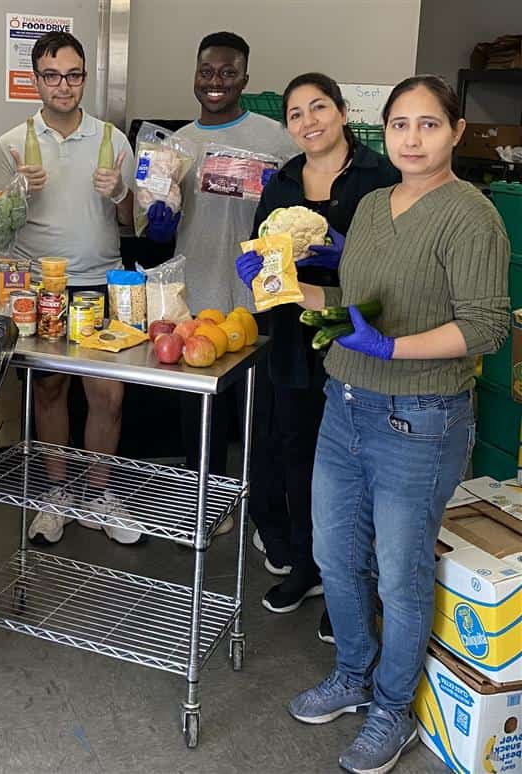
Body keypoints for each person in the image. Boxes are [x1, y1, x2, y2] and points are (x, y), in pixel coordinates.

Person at [243, 76, 510, 774]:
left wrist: (393, 348)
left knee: (401, 574)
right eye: (399, 125)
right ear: (383, 133)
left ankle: (393, 707)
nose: (412, 139)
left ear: (454, 131)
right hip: (346, 406)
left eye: (427, 125)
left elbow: (484, 327)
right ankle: (354, 676)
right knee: (335, 558)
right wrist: (281, 281)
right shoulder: (369, 206)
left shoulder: (471, 215)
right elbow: (350, 300)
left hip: (419, 419)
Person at [235, 74, 399, 635]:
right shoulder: (282, 180)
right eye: (297, 114)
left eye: (319, 107)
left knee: (355, 467)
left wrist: (346, 255)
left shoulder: (381, 176)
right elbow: (264, 250)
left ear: (342, 111)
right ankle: (307, 565)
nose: (309, 121)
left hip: (356, 338)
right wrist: (254, 269)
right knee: (298, 456)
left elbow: (395, 268)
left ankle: (350, 587)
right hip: (291, 338)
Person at [0, 31, 139, 546]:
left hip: (100, 282)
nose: (64, 85)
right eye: (52, 75)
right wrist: (14, 196)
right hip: (38, 283)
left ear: (85, 77)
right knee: (50, 389)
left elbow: (132, 220)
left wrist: (120, 193)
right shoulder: (11, 144)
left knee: (108, 395)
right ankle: (56, 493)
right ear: (36, 79)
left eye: (73, 75)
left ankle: (100, 493)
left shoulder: (112, 139)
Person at [145, 31, 297, 542]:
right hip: (197, 293)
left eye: (228, 73)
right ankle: (205, 502)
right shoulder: (175, 145)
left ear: (245, 80)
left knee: (259, 411)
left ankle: (262, 509)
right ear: (195, 76)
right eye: (207, 72)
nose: (216, 82)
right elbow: (155, 224)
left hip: (259, 295)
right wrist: (159, 219)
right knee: (201, 414)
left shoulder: (276, 137)